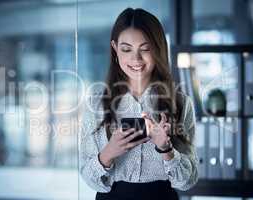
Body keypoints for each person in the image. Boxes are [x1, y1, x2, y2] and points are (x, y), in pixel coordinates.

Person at [80, 7, 198, 200]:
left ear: (158, 49)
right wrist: (109, 153)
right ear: (115, 49)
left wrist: (166, 149)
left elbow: (187, 181)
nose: (136, 59)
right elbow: (88, 177)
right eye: (126, 49)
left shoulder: (180, 102)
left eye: (145, 49)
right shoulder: (96, 102)